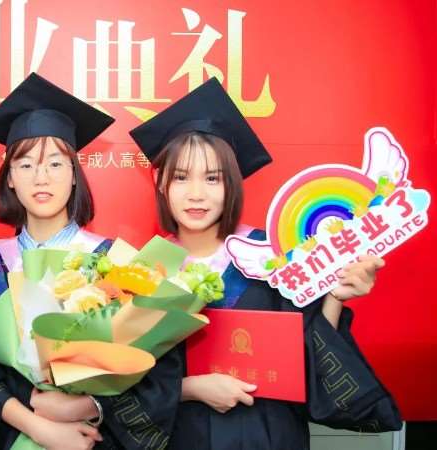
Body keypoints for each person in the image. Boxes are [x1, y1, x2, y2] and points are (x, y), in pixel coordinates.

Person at [129, 77, 402, 450]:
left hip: (270, 434)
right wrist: (189, 388)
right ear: (161, 182)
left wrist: (333, 297)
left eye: (213, 178)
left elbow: (311, 364)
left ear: (233, 183)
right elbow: (127, 384)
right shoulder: (144, 270)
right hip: (183, 437)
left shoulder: (274, 256)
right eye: (181, 177)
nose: (196, 194)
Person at [0, 73, 182, 450]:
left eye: (56, 164)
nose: (41, 178)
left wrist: (90, 405)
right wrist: (38, 422)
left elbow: (156, 370)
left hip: (90, 439)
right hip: (11, 436)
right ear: (9, 178)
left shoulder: (111, 261)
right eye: (25, 165)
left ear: (75, 175)